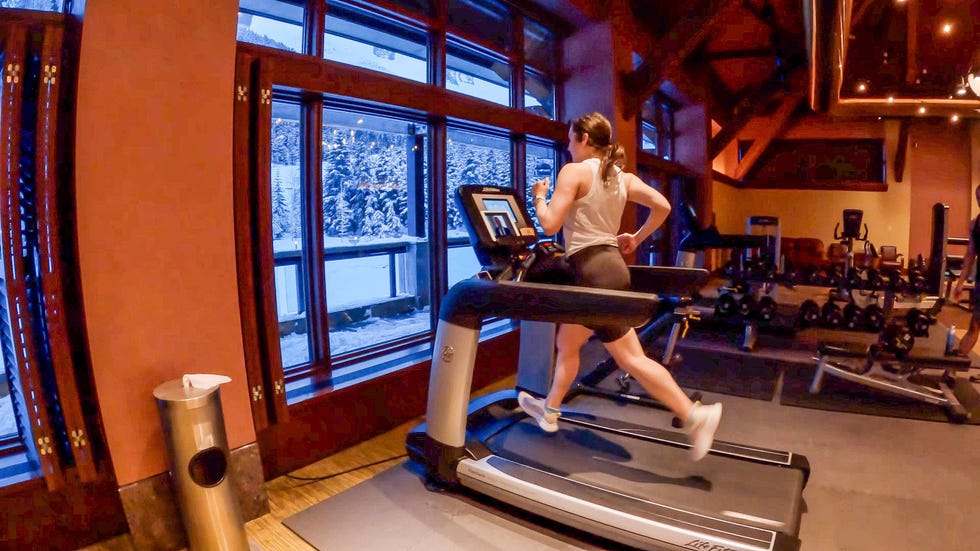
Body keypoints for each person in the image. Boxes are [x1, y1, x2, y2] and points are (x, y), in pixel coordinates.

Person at [517, 112, 722, 461]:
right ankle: (549, 411)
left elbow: (550, 225)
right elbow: (664, 206)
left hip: (589, 272)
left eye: (570, 138)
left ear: (583, 138)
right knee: (567, 342)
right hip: (612, 267)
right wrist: (636, 239)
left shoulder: (573, 172)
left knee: (630, 358)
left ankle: (693, 415)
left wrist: (539, 196)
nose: (568, 145)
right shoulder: (621, 177)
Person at [951, 184, 980, 383]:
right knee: (975, 325)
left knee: (975, 325)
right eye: (979, 198)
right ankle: (951, 369)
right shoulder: (975, 224)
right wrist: (960, 283)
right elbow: (970, 255)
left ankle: (951, 369)